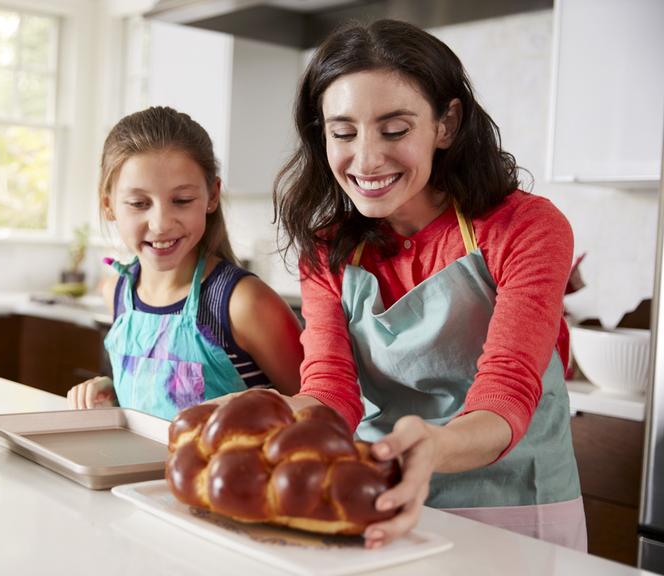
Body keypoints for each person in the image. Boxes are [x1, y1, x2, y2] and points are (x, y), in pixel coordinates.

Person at [272, 20, 586, 551]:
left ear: (446, 124)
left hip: (517, 508)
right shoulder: (326, 248)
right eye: (343, 133)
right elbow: (330, 390)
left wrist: (429, 448)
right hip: (381, 497)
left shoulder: (525, 228)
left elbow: (506, 393)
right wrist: (276, 415)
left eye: (394, 130)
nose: (367, 160)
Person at [68, 106, 303, 419]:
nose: (161, 223)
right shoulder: (118, 293)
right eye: (139, 204)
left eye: (181, 200)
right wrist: (112, 393)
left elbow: (320, 412)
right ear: (108, 205)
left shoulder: (243, 303)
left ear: (212, 195)